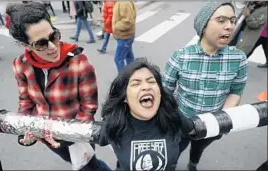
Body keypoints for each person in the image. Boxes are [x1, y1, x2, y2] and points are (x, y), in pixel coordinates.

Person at [5, 2, 109, 171]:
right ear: (25, 45)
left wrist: (70, 135)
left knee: (90, 166)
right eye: (41, 43)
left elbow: (88, 108)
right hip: (47, 137)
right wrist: (26, 129)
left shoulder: (78, 62)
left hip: (76, 134)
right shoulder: (20, 65)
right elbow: (26, 101)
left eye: (54, 35)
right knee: (77, 163)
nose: (53, 47)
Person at [163, 1, 248, 171]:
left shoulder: (238, 59)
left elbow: (236, 91)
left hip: (213, 126)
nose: (229, 26)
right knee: (174, 152)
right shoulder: (180, 57)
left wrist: (221, 121)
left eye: (232, 20)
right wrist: (173, 119)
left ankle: (193, 164)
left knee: (199, 148)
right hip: (182, 124)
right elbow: (165, 92)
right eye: (221, 20)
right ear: (203, 26)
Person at [98, 58, 196, 171]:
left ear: (160, 92)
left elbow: (194, 128)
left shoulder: (173, 116)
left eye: (151, 81)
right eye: (136, 83)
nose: (146, 87)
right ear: (125, 97)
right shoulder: (114, 123)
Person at [236, 1, 267, 67]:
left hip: (261, 34)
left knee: (247, 50)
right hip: (252, 33)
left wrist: (248, 15)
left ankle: (238, 64)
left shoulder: (265, 10)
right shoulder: (253, 4)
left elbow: (255, 24)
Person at [112, 1, 136, 72]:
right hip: (126, 35)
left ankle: (123, 80)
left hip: (125, 36)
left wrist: (115, 27)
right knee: (129, 57)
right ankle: (131, 75)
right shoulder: (121, 2)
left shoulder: (124, 3)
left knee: (118, 58)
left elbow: (128, 21)